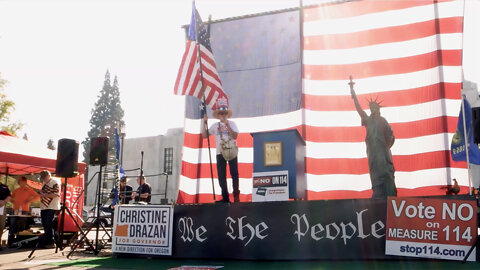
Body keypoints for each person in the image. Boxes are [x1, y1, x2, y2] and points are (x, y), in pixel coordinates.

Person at [349, 77, 397, 199]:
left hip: (382, 150)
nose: (372, 109)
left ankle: (389, 192)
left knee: (386, 171)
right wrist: (353, 93)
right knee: (375, 171)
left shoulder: (383, 120)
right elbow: (359, 109)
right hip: (372, 151)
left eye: (374, 107)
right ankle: (378, 191)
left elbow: (390, 135)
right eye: (371, 108)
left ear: (378, 108)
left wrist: (387, 144)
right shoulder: (368, 121)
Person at [202, 97, 240, 203]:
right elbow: (204, 135)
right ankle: (225, 197)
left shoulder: (232, 124)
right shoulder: (215, 126)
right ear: (218, 115)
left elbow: (235, 136)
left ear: (227, 114)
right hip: (220, 152)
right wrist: (204, 122)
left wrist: (228, 125)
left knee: (234, 173)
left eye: (224, 113)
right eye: (221, 113)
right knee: (221, 176)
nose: (223, 115)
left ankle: (236, 195)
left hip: (232, 150)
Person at [8, 176, 40, 247]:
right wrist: (13, 201)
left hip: (24, 211)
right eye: (19, 181)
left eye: (21, 181)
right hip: (15, 210)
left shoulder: (29, 190)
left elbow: (37, 196)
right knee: (12, 226)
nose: (19, 182)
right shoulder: (16, 190)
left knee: (22, 227)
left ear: (25, 182)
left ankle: (21, 242)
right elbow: (10, 198)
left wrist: (29, 200)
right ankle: (10, 242)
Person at [38, 170, 60, 248]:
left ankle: (51, 242)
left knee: (48, 224)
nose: (43, 179)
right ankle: (47, 241)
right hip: (44, 206)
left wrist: (44, 195)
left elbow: (57, 194)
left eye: (44, 178)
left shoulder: (55, 182)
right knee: (45, 224)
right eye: (42, 178)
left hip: (52, 206)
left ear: (48, 176)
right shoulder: (44, 183)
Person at [0, 180, 11, 250]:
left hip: (2, 207)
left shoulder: (4, 187)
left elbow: (9, 196)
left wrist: (4, 201)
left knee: (1, 226)